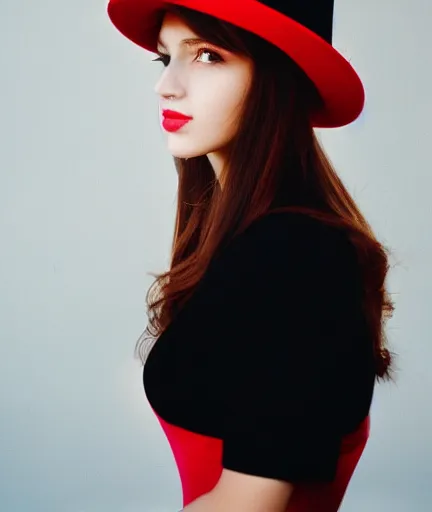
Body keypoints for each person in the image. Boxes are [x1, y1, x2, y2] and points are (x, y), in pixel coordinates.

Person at [107, 1, 395, 511]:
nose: (167, 85)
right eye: (166, 57)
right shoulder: (254, 242)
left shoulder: (297, 257)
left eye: (208, 56)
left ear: (277, 77)